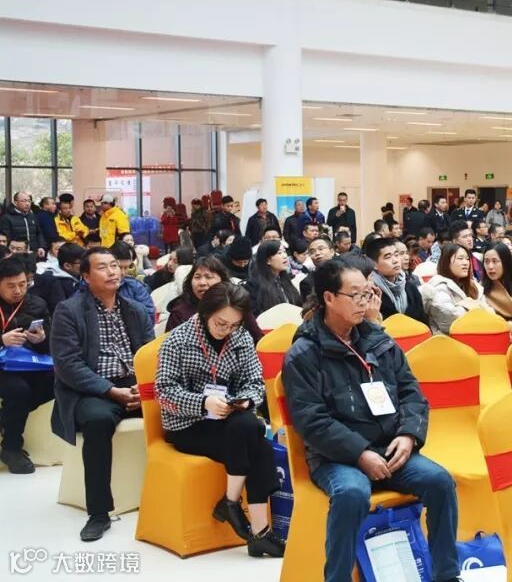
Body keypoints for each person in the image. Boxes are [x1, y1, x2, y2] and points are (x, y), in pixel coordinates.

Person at [281, 260, 460, 582]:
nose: (365, 303)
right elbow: (312, 421)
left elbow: (412, 393)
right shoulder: (304, 354)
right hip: (337, 457)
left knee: (440, 482)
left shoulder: (379, 341)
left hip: (390, 448)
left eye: (368, 294)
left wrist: (408, 435)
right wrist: (361, 453)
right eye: (356, 295)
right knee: (351, 494)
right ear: (328, 298)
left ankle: (446, 575)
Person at [155, 283, 284, 557]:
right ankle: (253, 525)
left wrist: (245, 401)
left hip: (230, 419)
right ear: (205, 313)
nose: (226, 330)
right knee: (255, 437)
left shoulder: (241, 338)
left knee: (251, 429)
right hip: (188, 424)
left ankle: (240, 512)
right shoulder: (177, 340)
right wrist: (203, 403)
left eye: (234, 325)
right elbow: (164, 392)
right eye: (221, 323)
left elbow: (254, 382)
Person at [51, 247, 154, 541]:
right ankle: (98, 513)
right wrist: (111, 391)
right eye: (102, 267)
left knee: (179, 407)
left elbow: (150, 356)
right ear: (85, 276)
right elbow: (68, 366)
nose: (112, 272)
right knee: (98, 422)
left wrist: (142, 387)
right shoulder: (69, 311)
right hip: (91, 389)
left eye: (114, 266)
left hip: (133, 384)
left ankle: (168, 491)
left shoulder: (135, 310)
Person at [0, 256, 53, 473]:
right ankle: (11, 448)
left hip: (27, 363)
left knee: (61, 379)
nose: (18, 291)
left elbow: (49, 346)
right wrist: (2, 340)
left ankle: (5, 418)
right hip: (2, 367)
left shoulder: (37, 304)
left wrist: (41, 340)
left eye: (23, 284)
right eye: (11, 286)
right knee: (18, 391)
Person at [166, 255, 262, 339]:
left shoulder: (237, 304)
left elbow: (257, 338)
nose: (202, 283)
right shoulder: (179, 314)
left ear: (222, 281)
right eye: (197, 277)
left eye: (208, 277)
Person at [421, 243, 490, 334]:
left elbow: (490, 313)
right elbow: (451, 320)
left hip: (477, 334)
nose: (465, 263)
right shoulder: (437, 287)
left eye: (467, 259)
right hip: (449, 340)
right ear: (447, 262)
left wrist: (467, 304)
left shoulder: (473, 285)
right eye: (460, 258)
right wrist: (471, 305)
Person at [368, 237, 427, 325]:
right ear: (374, 264)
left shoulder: (411, 288)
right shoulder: (370, 293)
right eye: (388, 257)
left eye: (396, 255)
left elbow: (424, 323)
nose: (395, 261)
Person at [246, 240, 302, 317]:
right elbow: (256, 315)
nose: (285, 256)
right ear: (267, 260)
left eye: (284, 252)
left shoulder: (286, 279)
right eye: (279, 253)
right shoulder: (254, 284)